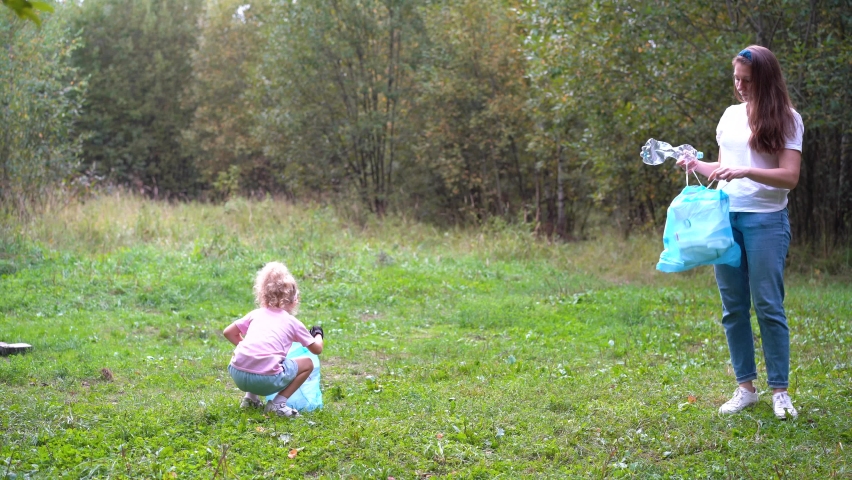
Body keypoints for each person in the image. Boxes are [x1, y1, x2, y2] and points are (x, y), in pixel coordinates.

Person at [678, 45, 803, 419]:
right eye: (735, 78)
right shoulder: (729, 116)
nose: (739, 86)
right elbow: (726, 167)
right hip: (725, 218)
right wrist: (696, 164)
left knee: (768, 305)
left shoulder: (788, 118)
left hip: (766, 221)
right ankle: (745, 387)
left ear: (764, 80)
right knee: (733, 308)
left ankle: (779, 391)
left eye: (746, 80)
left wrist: (747, 171)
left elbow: (789, 177)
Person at [223, 261, 324, 418]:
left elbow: (228, 332)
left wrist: (247, 347)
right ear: (293, 300)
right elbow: (317, 349)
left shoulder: (255, 314)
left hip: (237, 374)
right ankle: (277, 404)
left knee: (259, 357)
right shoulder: (293, 322)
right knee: (307, 364)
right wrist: (318, 334)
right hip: (267, 380)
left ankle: (250, 399)